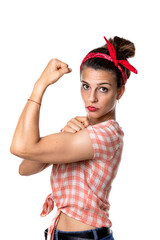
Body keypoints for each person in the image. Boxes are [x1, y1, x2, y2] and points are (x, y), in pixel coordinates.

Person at [10, 35, 138, 240]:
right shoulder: (80, 132)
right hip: (57, 234)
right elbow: (25, 168)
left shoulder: (106, 135)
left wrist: (40, 84)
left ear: (120, 92)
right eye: (86, 86)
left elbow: (21, 147)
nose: (92, 97)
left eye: (103, 89)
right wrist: (66, 134)